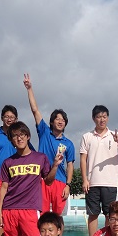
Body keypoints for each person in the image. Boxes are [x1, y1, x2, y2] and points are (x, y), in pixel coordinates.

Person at [0, 121, 62, 236]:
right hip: (9, 209)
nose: (19, 138)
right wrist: (0, 211)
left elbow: (48, 181)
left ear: (28, 136)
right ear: (11, 140)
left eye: (22, 134)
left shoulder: (40, 158)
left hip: (30, 209)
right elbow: (4, 187)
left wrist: (55, 165)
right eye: (15, 136)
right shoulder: (8, 162)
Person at [23, 74, 76, 214]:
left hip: (60, 182)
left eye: (63, 120)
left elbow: (70, 165)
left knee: (58, 217)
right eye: (57, 119)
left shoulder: (69, 144)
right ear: (52, 122)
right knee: (42, 215)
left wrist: (68, 185)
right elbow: (35, 110)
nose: (60, 121)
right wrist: (29, 89)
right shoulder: (44, 132)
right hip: (42, 180)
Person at [79, 105, 118, 236]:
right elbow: (83, 159)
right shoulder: (87, 136)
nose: (102, 120)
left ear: (107, 118)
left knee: (110, 215)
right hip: (92, 182)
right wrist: (85, 179)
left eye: (104, 116)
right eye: (98, 117)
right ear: (93, 119)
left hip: (110, 183)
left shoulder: (115, 135)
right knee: (93, 214)